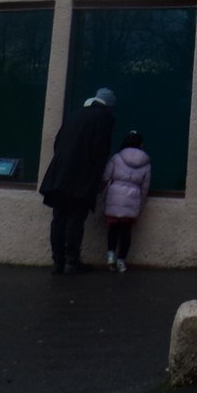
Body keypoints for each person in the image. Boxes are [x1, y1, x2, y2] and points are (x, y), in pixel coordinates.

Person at [38, 87, 117, 275]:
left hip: (59, 174)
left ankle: (58, 262)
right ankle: (71, 261)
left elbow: (57, 143)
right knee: (75, 218)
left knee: (59, 218)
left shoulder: (75, 114)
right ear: (109, 105)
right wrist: (98, 177)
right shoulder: (104, 118)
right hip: (81, 176)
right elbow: (100, 150)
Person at [102, 130, 151, 273]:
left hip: (114, 197)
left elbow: (105, 177)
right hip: (132, 198)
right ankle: (122, 260)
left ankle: (111, 254)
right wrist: (141, 203)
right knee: (126, 231)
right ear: (141, 144)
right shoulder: (146, 162)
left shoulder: (116, 158)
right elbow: (145, 187)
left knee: (113, 229)